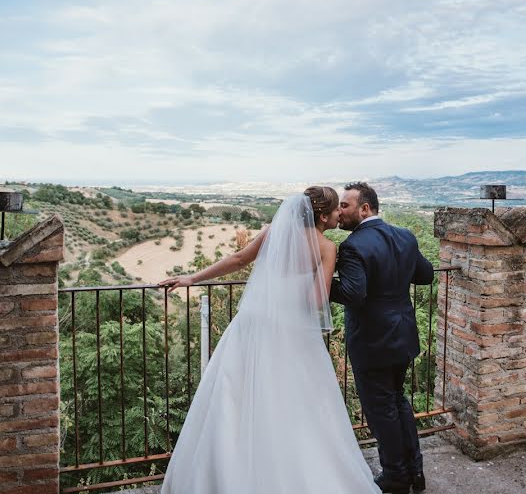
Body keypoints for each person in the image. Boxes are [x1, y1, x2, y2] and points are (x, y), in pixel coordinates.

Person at [157, 187, 379, 494]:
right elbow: (316, 301)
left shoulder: (276, 231)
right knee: (295, 404)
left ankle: (225, 474)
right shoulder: (327, 248)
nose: (341, 214)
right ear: (323, 215)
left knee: (234, 398)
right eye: (336, 210)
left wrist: (191, 279)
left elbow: (238, 259)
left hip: (252, 325)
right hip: (292, 333)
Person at [330, 182, 434, 494]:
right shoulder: (404, 235)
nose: (339, 211)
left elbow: (353, 293)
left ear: (365, 208)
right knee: (398, 402)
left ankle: (396, 477)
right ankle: (415, 472)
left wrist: (319, 280)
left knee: (381, 411)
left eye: (345, 205)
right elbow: (425, 275)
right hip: (402, 335)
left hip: (372, 341)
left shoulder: (353, 246)